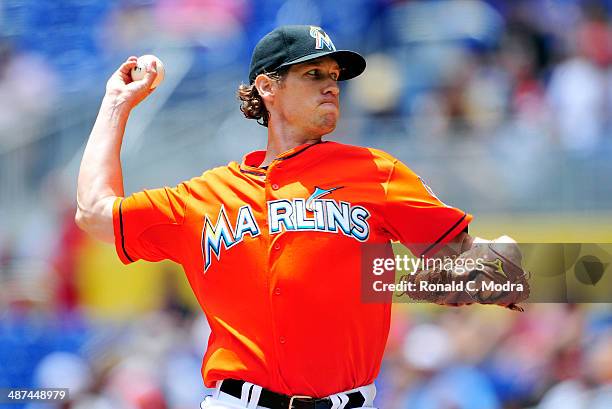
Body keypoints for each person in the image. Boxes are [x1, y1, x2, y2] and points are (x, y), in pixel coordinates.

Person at [76, 25, 528, 409]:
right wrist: (116, 105)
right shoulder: (205, 196)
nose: (332, 85)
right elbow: (94, 213)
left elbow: (471, 263)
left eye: (335, 76)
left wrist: (499, 270)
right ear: (268, 87)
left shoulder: (376, 172)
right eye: (313, 74)